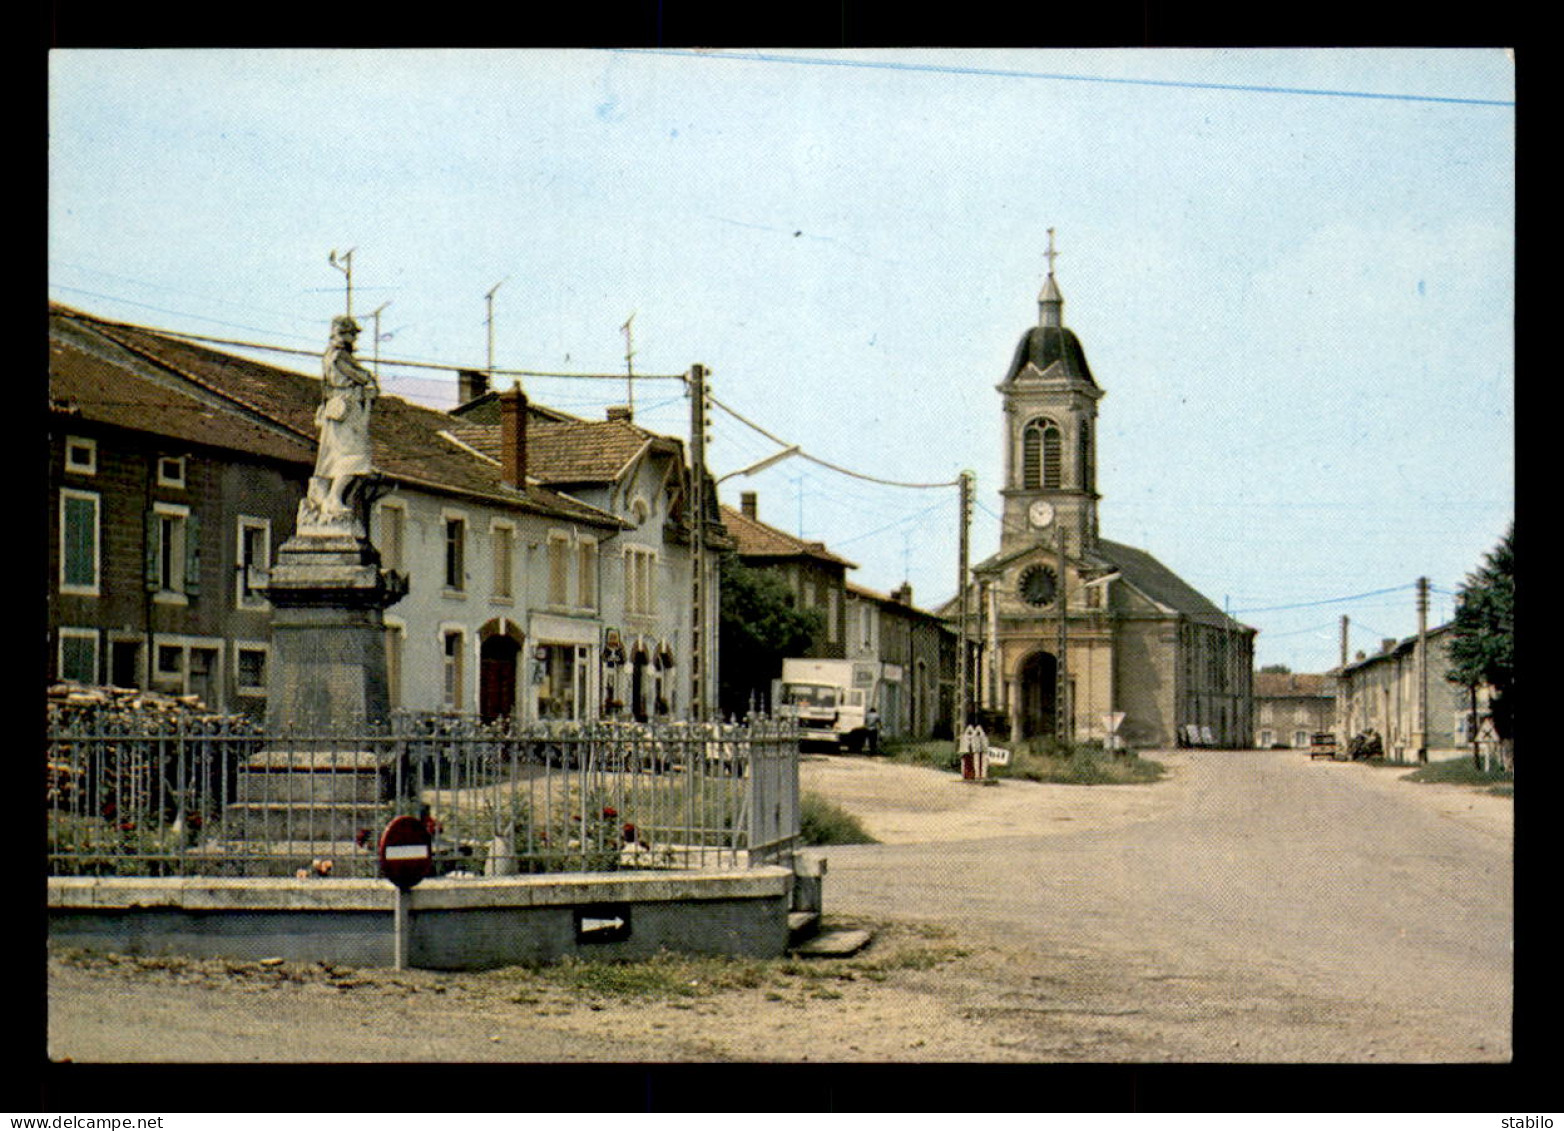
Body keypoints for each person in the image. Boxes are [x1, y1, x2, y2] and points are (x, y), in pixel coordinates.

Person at [302, 315, 379, 529]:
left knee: (344, 456)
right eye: (351, 334)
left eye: (353, 334)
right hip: (346, 407)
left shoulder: (334, 355)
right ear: (340, 333)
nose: (354, 338)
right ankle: (333, 499)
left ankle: (332, 498)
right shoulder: (338, 356)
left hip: (342, 408)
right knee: (354, 456)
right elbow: (361, 377)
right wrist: (369, 381)